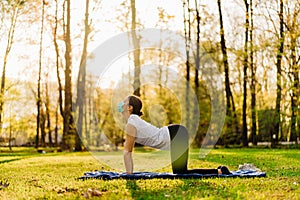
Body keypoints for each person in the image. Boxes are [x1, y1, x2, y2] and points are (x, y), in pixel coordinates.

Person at [118, 95, 231, 175]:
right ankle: (219, 170)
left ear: (129, 107)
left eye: (124, 102)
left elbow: (128, 151)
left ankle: (219, 171)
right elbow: (128, 150)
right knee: (180, 171)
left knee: (181, 172)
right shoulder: (133, 121)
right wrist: (129, 173)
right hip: (176, 133)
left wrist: (129, 174)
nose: (121, 105)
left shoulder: (132, 122)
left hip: (176, 134)